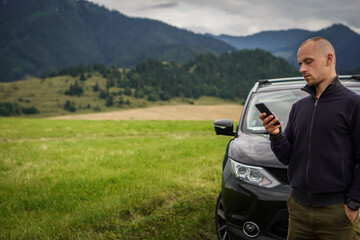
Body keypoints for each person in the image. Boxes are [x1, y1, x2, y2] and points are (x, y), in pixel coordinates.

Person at [259, 37, 360, 240]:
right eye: (300, 64)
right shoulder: (299, 108)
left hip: (337, 213)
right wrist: (276, 135)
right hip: (299, 211)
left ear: (329, 59)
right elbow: (287, 156)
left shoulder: (353, 104)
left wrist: (353, 203)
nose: (301, 69)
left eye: (308, 61)